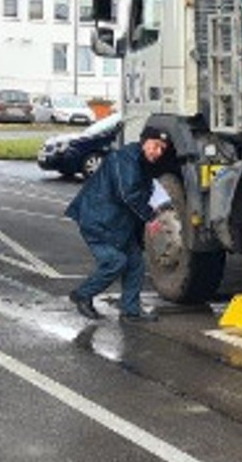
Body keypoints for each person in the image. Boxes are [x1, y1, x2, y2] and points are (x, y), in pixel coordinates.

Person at [65, 122, 174, 321]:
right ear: (144, 141)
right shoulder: (126, 159)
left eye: (162, 149)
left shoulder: (142, 162)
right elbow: (128, 194)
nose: (158, 152)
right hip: (98, 220)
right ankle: (83, 295)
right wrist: (150, 217)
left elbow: (142, 193)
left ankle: (130, 311)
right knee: (116, 262)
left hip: (117, 223)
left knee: (135, 264)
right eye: (155, 145)